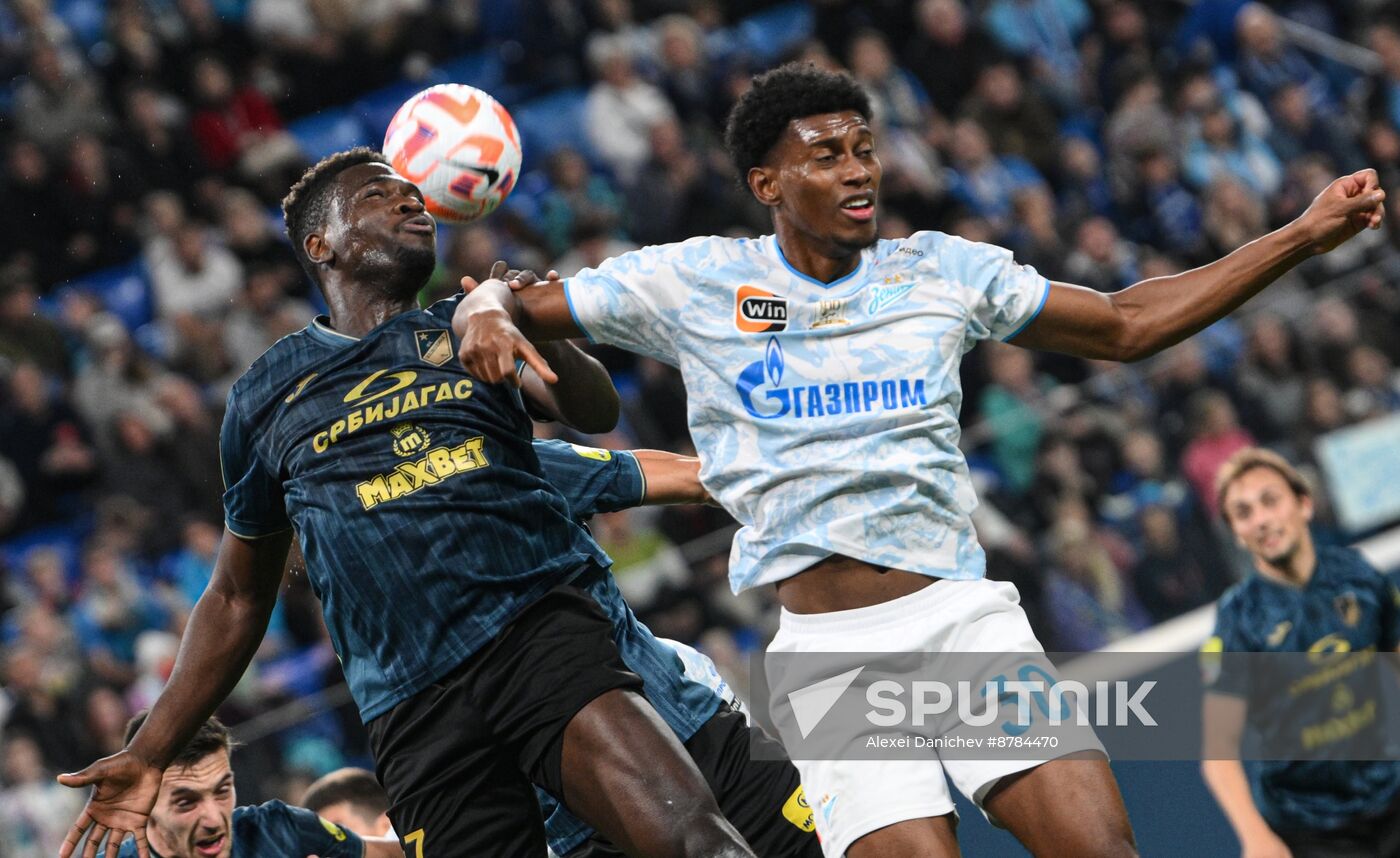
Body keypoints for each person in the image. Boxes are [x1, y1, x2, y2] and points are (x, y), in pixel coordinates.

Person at [454, 62, 1387, 858]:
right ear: (766, 182)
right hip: (829, 658)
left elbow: (1125, 322)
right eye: (827, 155)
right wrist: (489, 311)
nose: (860, 170)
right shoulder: (694, 280)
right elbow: (500, 299)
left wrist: (1300, 236)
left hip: (961, 624)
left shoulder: (940, 269)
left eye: (865, 148)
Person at [58, 148, 754, 858]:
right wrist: (151, 749)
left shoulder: (466, 321)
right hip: (410, 711)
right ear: (319, 245)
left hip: (535, 635)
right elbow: (238, 596)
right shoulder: (264, 396)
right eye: (376, 196)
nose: (411, 203)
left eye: (415, 195)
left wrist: (532, 328)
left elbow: (594, 407)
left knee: (699, 844)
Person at [1201, 448, 1400, 858]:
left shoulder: (1358, 576)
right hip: (1309, 830)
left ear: (1303, 503)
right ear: (1236, 532)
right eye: (1243, 513)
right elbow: (1217, 751)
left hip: (1390, 793)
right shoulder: (1237, 622)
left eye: (1270, 501)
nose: (1260, 520)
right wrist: (1255, 838)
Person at [113, 714, 401, 858]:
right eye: (186, 802)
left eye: (222, 790)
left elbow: (393, 853)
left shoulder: (276, 828)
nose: (215, 819)